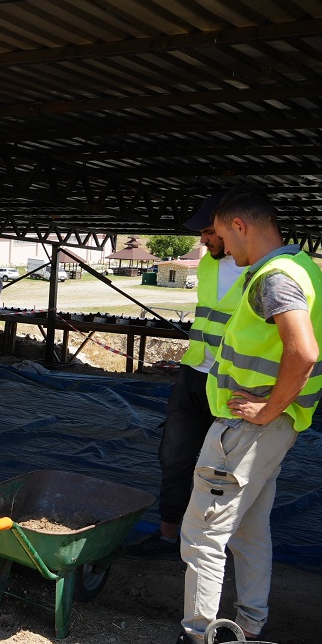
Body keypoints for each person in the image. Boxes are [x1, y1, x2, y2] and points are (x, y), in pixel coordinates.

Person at [141, 187, 322, 644]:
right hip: (273, 429)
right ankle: (248, 626)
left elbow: (306, 351)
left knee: (202, 533)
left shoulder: (271, 277)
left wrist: (268, 409)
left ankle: (195, 641)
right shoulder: (303, 267)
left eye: (221, 233)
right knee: (249, 528)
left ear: (241, 226)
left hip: (246, 428)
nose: (217, 243)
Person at [129, 193, 244, 557]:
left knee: (225, 470)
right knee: (175, 456)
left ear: (233, 229)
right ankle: (168, 535)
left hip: (232, 383)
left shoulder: (263, 270)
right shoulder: (209, 265)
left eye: (210, 231)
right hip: (195, 374)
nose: (203, 240)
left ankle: (213, 547)